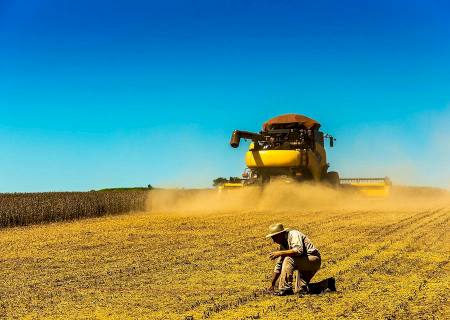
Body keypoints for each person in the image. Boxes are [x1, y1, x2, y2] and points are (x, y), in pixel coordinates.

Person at [266, 223, 336, 296]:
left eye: (274, 238)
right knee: (300, 290)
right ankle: (327, 284)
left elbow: (298, 250)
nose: (273, 241)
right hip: (303, 262)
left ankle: (285, 289)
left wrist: (281, 253)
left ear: (280, 234)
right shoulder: (283, 244)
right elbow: (279, 265)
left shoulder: (294, 234)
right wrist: (272, 284)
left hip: (312, 259)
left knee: (288, 259)